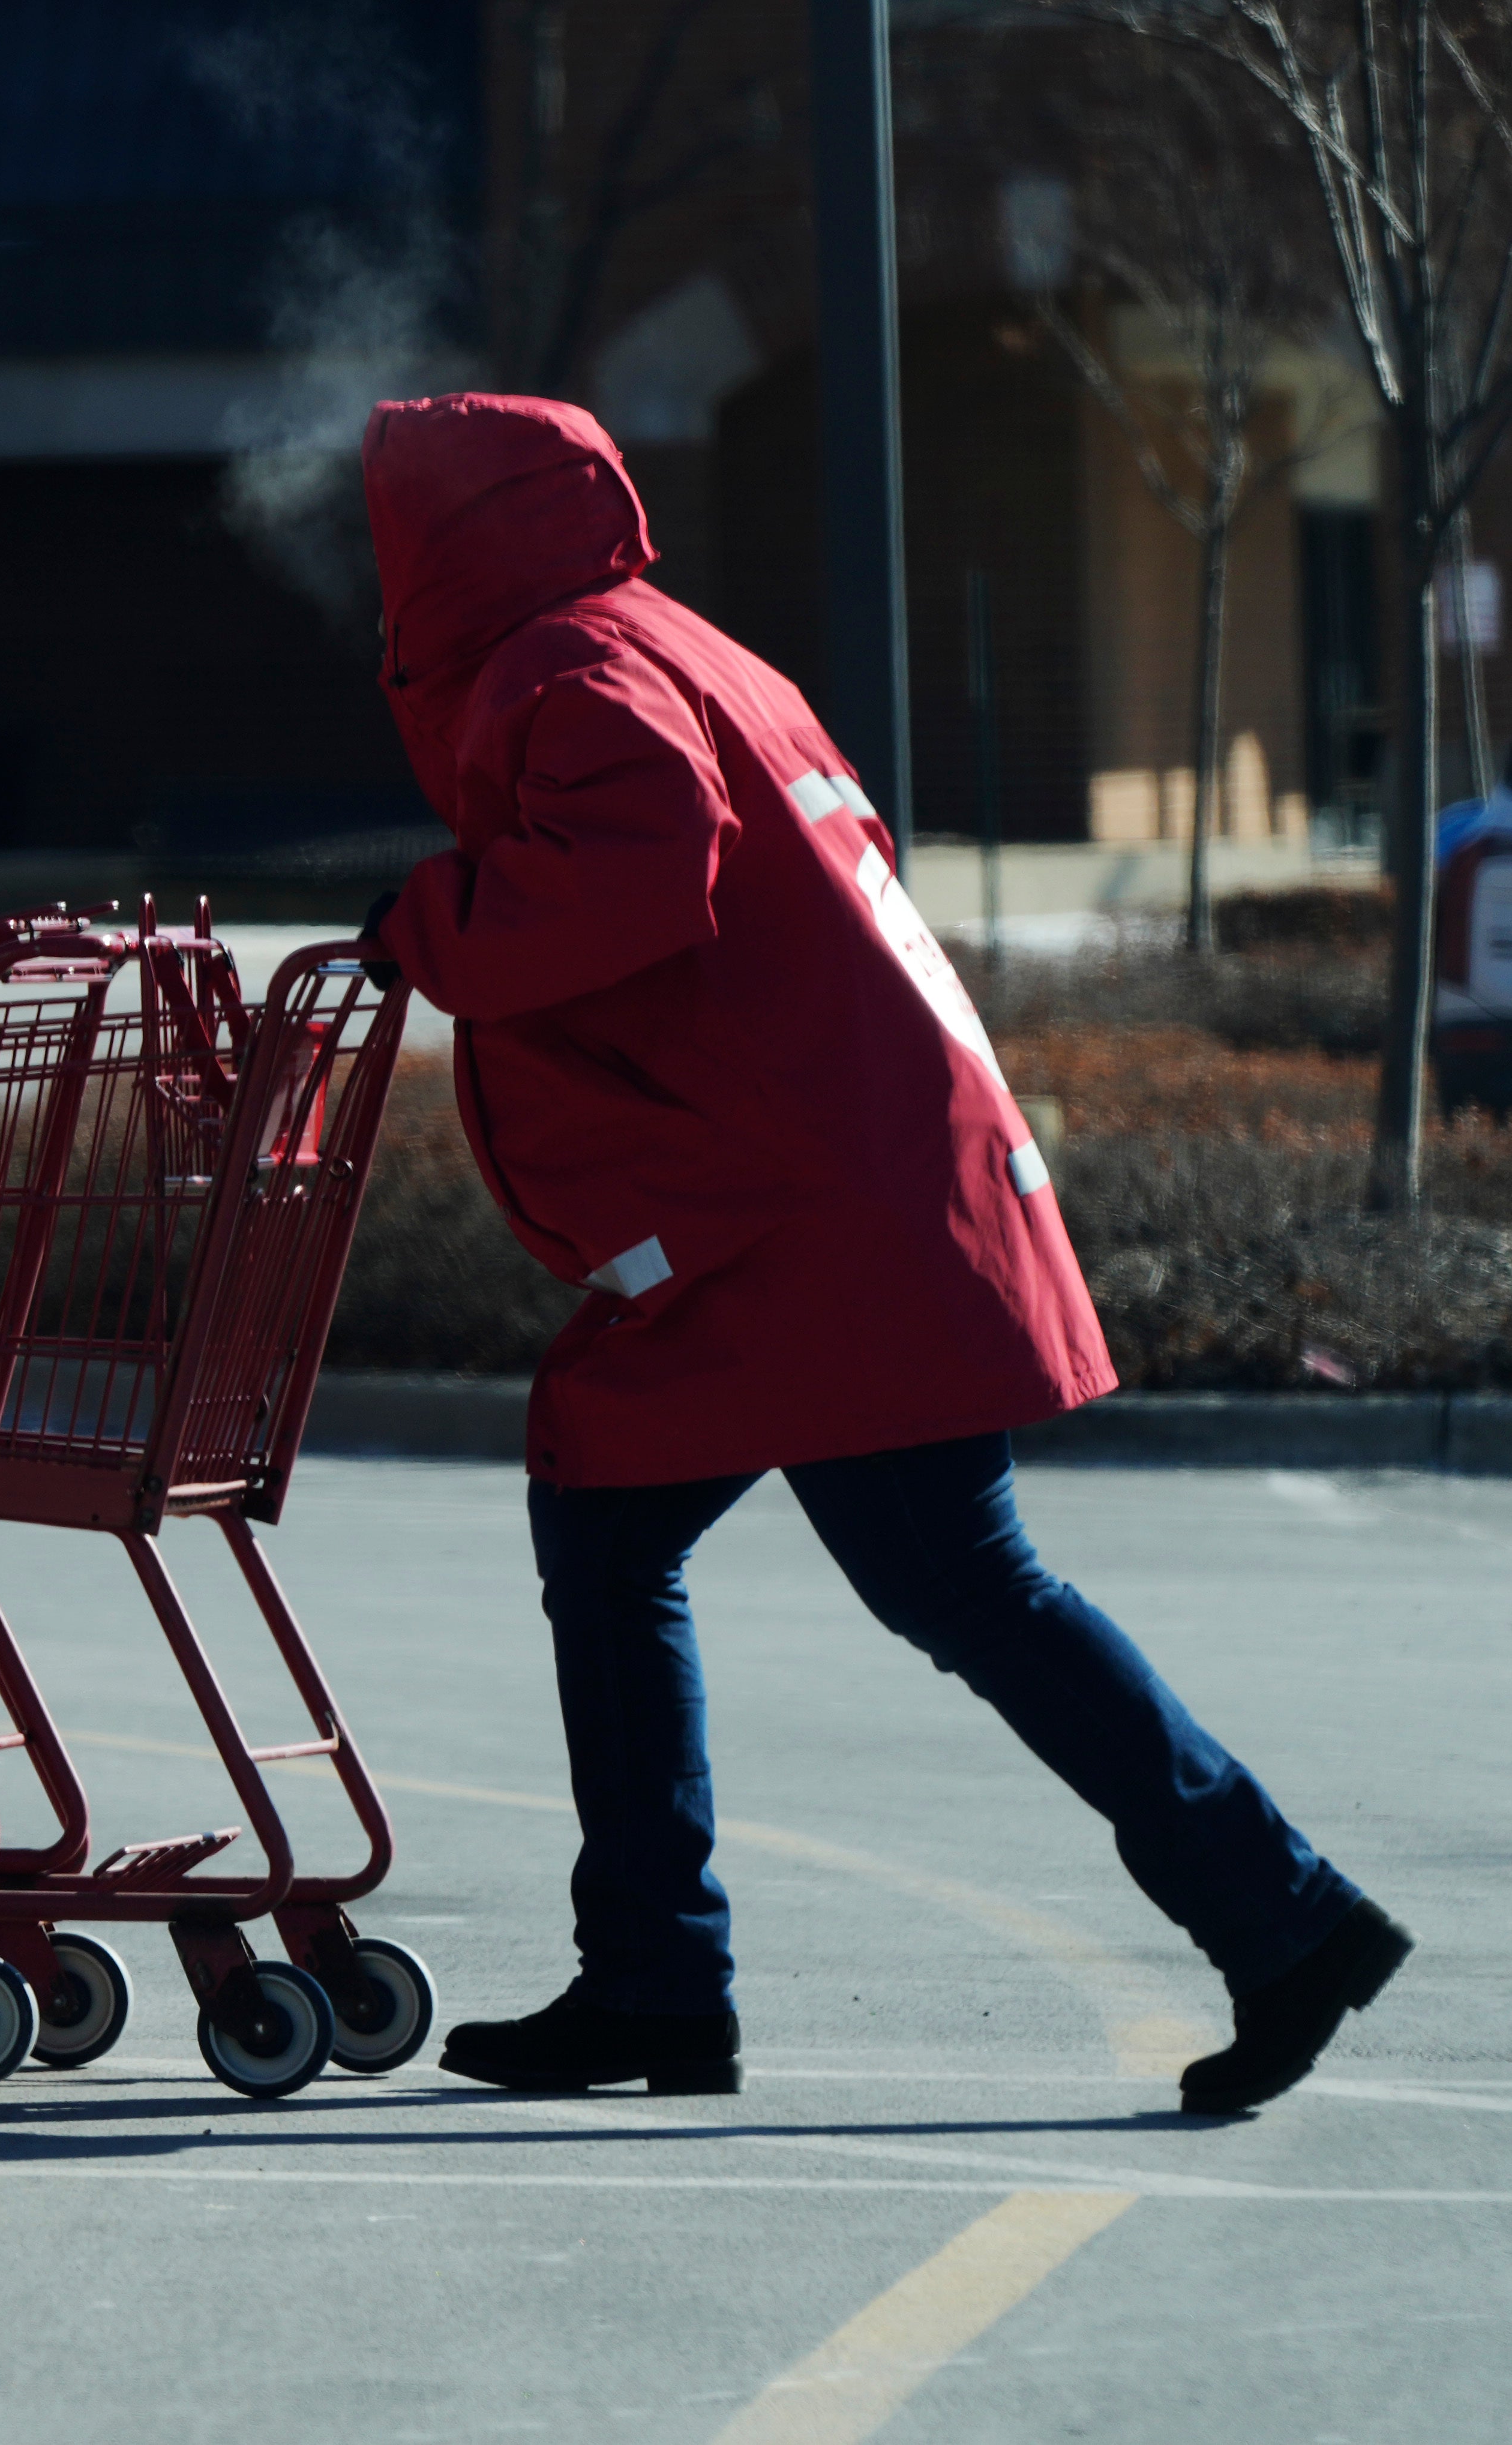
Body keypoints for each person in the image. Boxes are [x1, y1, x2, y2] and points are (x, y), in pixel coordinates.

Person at [355, 391, 1406, 2114]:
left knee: (860, 1571)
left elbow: (634, 878)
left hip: (807, 1225)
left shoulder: (563, 671)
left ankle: (1263, 1916)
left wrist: (422, 925)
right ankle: (660, 1980)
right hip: (850, 1192)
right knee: (812, 1558)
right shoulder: (684, 647)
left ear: (436, 545)